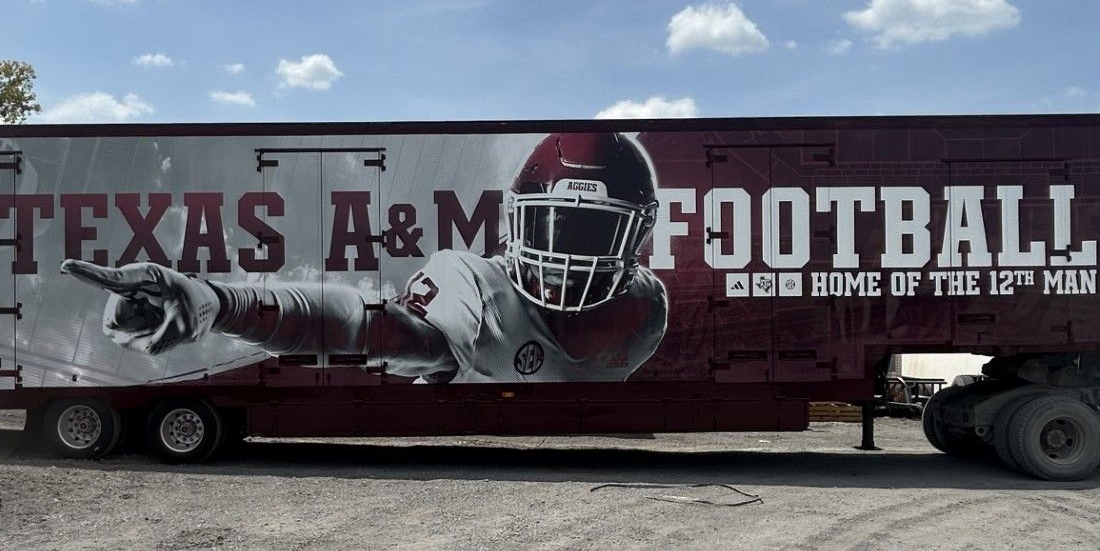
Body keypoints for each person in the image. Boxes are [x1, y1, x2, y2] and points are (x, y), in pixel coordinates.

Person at [61, 130, 669, 385]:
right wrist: (226, 303)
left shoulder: (645, 310)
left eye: (591, 232)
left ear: (638, 238)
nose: (567, 255)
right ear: (515, 223)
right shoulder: (476, 292)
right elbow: (364, 325)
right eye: (552, 224)